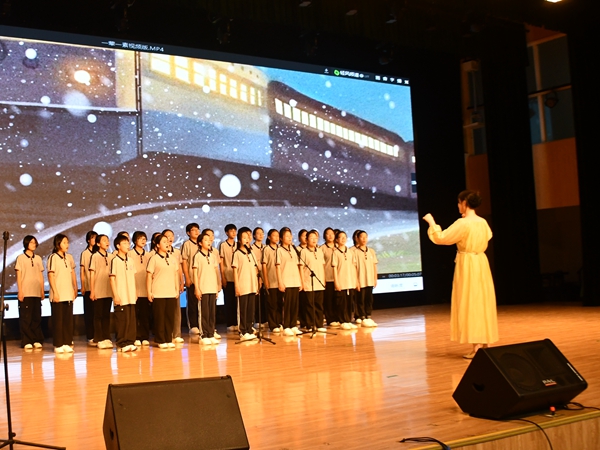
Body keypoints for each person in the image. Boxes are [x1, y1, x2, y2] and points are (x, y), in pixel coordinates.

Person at [423, 190, 499, 359]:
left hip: (469, 263)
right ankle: (485, 343)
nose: (458, 206)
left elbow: (442, 238)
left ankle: (477, 346)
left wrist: (431, 222)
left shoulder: (463, 223)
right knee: (482, 300)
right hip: (480, 261)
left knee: (471, 301)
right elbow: (488, 236)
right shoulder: (482, 222)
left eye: (459, 202)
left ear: (465, 203)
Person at [146, 233, 181, 349]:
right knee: (159, 317)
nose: (167, 243)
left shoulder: (172, 258)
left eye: (167, 241)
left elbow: (175, 275)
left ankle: (168, 338)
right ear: (157, 245)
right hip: (158, 293)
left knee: (169, 317)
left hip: (170, 292)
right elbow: (149, 276)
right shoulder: (154, 259)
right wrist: (149, 292)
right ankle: (160, 340)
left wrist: (176, 289)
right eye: (164, 242)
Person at [47, 234, 78, 354]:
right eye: (64, 242)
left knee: (67, 320)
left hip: (68, 293)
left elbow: (72, 273)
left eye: (67, 242)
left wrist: (75, 287)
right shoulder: (53, 257)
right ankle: (58, 344)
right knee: (58, 321)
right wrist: (55, 292)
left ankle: (66, 342)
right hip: (58, 294)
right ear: (58, 244)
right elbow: (51, 275)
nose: (67, 245)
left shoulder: (68, 258)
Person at [15, 235, 45, 350]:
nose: (34, 244)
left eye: (34, 242)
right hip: (26, 292)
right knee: (26, 318)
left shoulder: (38, 258)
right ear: (26, 243)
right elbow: (19, 276)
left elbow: (40, 276)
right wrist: (20, 291)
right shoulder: (21, 258)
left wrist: (42, 290)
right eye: (31, 242)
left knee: (36, 317)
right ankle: (26, 340)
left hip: (36, 291)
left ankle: (36, 339)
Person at [110, 234, 138, 352]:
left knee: (131, 319)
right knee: (122, 320)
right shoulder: (115, 260)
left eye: (128, 243)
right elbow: (112, 279)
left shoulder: (131, 260)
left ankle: (130, 341)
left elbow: (133, 277)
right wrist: (116, 295)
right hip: (121, 295)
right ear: (118, 246)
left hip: (131, 295)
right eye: (124, 243)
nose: (128, 245)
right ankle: (122, 343)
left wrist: (135, 292)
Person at [192, 231, 221, 345]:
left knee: (212, 312)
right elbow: (195, 274)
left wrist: (217, 286)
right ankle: (204, 335)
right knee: (204, 313)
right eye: (205, 240)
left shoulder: (213, 256)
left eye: (209, 240)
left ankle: (211, 333)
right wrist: (197, 288)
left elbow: (216, 272)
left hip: (212, 288)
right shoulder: (197, 256)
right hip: (203, 288)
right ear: (200, 243)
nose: (209, 242)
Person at [232, 227, 258, 341]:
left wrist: (256, 285)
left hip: (252, 286)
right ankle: (243, 331)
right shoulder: (237, 253)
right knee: (243, 309)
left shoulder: (251, 253)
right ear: (239, 240)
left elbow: (255, 270)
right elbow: (235, 271)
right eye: (244, 238)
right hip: (242, 286)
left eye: (248, 237)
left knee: (250, 310)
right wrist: (237, 286)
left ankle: (249, 329)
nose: (247, 239)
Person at [276, 227, 303, 336]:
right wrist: (280, 282)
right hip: (286, 281)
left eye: (290, 235)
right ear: (281, 238)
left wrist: (300, 281)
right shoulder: (279, 250)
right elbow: (278, 267)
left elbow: (298, 265)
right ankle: (286, 326)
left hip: (295, 280)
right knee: (286, 305)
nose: (289, 238)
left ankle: (293, 325)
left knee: (294, 305)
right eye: (287, 236)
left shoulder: (294, 249)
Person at [89, 234, 114, 349]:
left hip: (108, 290)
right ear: (98, 244)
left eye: (107, 240)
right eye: (104, 240)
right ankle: (98, 338)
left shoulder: (111, 256)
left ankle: (106, 337)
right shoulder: (94, 256)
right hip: (98, 290)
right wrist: (92, 290)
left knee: (106, 315)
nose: (107, 242)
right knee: (98, 315)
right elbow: (92, 274)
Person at [331, 231, 359, 330]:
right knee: (341, 303)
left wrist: (356, 281)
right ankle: (342, 321)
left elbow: (354, 267)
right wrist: (336, 282)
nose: (343, 239)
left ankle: (348, 320)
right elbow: (334, 268)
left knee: (349, 302)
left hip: (350, 281)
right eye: (341, 237)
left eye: (345, 237)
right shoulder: (335, 252)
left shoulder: (350, 252)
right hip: (341, 281)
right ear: (337, 240)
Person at [300, 230, 326, 332]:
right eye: (311, 238)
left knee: (319, 304)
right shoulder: (303, 252)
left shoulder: (319, 251)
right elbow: (301, 268)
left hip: (319, 282)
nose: (314, 240)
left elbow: (322, 266)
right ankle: (310, 324)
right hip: (308, 282)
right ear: (306, 240)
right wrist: (302, 282)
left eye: (315, 238)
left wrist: (323, 280)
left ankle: (319, 324)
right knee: (309, 305)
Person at [129, 231, 152, 346]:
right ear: (134, 240)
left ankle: (145, 336)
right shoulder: (129, 254)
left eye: (144, 238)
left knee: (145, 315)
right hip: (133, 289)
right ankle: (136, 336)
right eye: (140, 238)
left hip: (145, 289)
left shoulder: (149, 255)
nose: (143, 240)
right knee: (134, 315)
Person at [162, 229, 185, 343]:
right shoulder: (158, 253)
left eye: (171, 236)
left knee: (176, 310)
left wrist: (181, 281)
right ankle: (166, 334)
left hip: (175, 284)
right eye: (167, 236)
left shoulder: (176, 252)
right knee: (165, 311)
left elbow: (179, 268)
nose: (170, 238)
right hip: (164, 284)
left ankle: (176, 334)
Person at [354, 230, 378, 328]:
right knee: (360, 299)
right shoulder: (355, 252)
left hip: (370, 279)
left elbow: (374, 265)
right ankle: (361, 315)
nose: (364, 239)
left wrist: (375, 278)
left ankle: (368, 315)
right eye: (362, 237)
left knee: (369, 298)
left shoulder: (371, 251)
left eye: (365, 237)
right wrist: (356, 281)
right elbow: (354, 267)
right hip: (360, 280)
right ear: (357, 239)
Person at [181, 222, 201, 335]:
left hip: (202, 279)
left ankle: (202, 324)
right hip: (192, 278)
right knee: (192, 303)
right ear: (188, 233)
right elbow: (184, 261)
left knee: (202, 304)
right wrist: (187, 277)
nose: (196, 231)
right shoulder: (187, 244)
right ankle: (193, 325)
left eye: (197, 229)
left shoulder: (202, 243)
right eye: (193, 230)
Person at [262, 229, 283, 333]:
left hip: (280, 281)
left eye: (278, 235)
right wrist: (266, 280)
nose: (276, 238)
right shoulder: (266, 249)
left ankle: (279, 322)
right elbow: (264, 265)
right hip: (271, 280)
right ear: (269, 237)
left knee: (280, 303)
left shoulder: (281, 249)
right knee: (272, 304)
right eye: (274, 235)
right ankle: (273, 324)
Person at [219, 224, 238, 332]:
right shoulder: (223, 245)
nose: (234, 233)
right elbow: (221, 262)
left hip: (238, 277)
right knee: (229, 301)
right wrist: (223, 277)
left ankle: (237, 322)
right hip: (228, 276)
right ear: (226, 233)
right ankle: (230, 323)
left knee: (237, 302)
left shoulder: (238, 244)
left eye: (235, 231)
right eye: (231, 231)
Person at [80, 230, 97, 346]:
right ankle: (90, 336)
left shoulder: (98, 253)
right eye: (93, 238)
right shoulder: (85, 253)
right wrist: (82, 285)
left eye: (96, 238)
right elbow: (82, 271)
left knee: (97, 313)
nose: (95, 240)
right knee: (89, 312)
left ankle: (98, 334)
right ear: (88, 240)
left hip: (98, 287)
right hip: (88, 287)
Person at [321, 227, 339, 327]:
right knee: (329, 300)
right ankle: (330, 319)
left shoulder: (338, 247)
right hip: (328, 277)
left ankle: (338, 317)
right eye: (328, 234)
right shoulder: (322, 248)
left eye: (332, 233)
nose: (330, 236)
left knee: (338, 299)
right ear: (325, 236)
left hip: (339, 278)